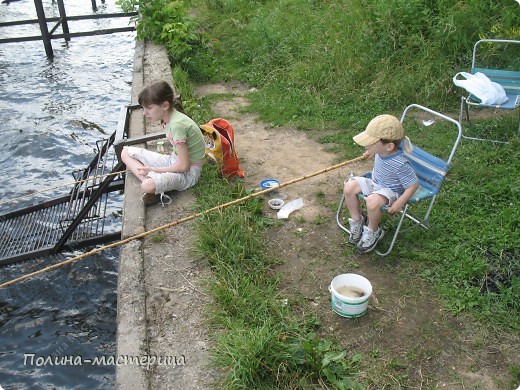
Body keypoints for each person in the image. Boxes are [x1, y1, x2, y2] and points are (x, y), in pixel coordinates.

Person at [121, 80, 205, 206]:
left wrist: (153, 169)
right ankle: (157, 183)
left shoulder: (177, 125)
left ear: (165, 105)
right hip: (173, 161)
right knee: (125, 152)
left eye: (149, 108)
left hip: (188, 174)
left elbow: (184, 167)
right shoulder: (169, 118)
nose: (144, 113)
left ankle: (154, 183)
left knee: (146, 185)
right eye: (143, 108)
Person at [343, 114, 419, 253]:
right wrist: (370, 153)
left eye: (371, 144)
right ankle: (358, 219)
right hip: (375, 183)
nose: (367, 146)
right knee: (349, 186)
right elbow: (377, 153)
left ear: (389, 146)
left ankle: (373, 230)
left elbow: (413, 185)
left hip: (390, 192)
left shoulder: (401, 164)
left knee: (372, 201)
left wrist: (399, 202)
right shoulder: (382, 151)